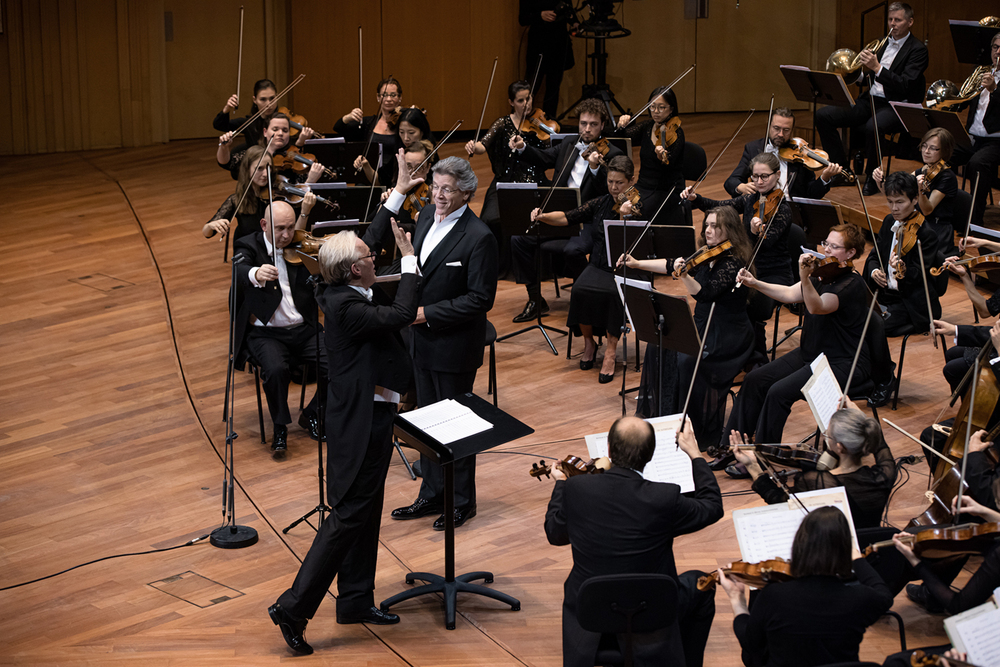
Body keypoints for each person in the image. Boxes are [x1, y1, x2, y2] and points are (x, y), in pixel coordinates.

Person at [268, 217, 419, 656]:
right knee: (347, 516)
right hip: (358, 423)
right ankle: (292, 608)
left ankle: (354, 600)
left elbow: (363, 248)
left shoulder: (343, 290)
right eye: (370, 258)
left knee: (367, 511)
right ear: (354, 270)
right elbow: (403, 314)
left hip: (373, 414)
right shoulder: (346, 306)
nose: (376, 258)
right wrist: (409, 262)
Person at [370, 152, 498, 531]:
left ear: (466, 194)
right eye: (436, 187)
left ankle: (461, 500)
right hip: (418, 341)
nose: (438, 196)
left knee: (455, 424)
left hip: (453, 346)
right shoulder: (425, 216)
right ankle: (431, 492)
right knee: (425, 421)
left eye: (447, 190)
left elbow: (480, 299)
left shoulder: (480, 237)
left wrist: (429, 313)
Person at [544, 416, 723, 667]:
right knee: (702, 584)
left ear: (608, 449)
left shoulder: (577, 489)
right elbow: (712, 507)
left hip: (591, 610)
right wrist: (695, 454)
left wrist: (561, 485)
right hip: (650, 609)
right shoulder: (664, 498)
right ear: (649, 455)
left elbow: (555, 533)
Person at [722, 224, 871, 453]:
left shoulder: (851, 284)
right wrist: (755, 283)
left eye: (834, 246)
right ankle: (732, 448)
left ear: (851, 253)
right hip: (811, 352)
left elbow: (816, 307)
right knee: (755, 380)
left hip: (838, 362)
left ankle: (765, 455)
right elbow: (790, 293)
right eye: (826, 244)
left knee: (778, 393)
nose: (827, 250)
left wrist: (805, 276)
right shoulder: (825, 274)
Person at [620, 206, 754, 447]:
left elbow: (706, 294)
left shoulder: (734, 263)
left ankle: (690, 428)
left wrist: (683, 276)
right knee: (658, 347)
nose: (709, 230)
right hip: (702, 324)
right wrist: (637, 264)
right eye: (708, 224)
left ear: (730, 230)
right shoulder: (708, 253)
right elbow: (672, 263)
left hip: (726, 333)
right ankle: (662, 416)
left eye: (716, 226)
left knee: (687, 361)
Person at [718, 506, 893, 667]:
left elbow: (751, 644)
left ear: (800, 545)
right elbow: (884, 596)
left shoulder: (775, 595)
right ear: (845, 550)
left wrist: (737, 599)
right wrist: (858, 561)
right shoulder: (860, 598)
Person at [508, 98, 624, 322]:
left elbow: (611, 195)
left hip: (588, 221)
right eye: (583, 123)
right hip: (560, 217)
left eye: (592, 124)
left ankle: (588, 295)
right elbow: (543, 158)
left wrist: (594, 167)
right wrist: (523, 147)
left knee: (573, 251)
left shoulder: (613, 155)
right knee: (518, 239)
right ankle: (535, 299)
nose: (587, 129)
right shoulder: (569, 144)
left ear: (602, 126)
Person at [530, 155, 637, 382]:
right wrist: (543, 216)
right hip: (598, 264)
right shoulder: (601, 203)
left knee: (612, 293)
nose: (614, 187)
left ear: (631, 181)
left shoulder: (639, 206)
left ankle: (610, 350)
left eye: (619, 183)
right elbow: (568, 217)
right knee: (579, 290)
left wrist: (623, 214)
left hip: (624, 268)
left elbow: (628, 239)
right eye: (610, 182)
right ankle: (589, 342)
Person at [233, 201, 328, 455]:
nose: (287, 235)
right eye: (279, 229)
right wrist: (255, 272)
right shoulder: (248, 244)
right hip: (266, 333)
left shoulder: (300, 246)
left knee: (341, 361)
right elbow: (239, 269)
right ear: (264, 225)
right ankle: (279, 426)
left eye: (290, 228)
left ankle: (313, 413)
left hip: (304, 329)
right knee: (275, 370)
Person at [681, 152, 793, 365]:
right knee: (722, 294)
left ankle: (756, 358)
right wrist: (696, 199)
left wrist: (754, 232)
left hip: (772, 273)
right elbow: (721, 206)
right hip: (747, 266)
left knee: (750, 303)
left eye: (765, 177)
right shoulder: (751, 198)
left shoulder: (783, 209)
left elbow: (766, 243)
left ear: (777, 175)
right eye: (755, 177)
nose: (759, 182)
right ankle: (729, 348)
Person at [814, 1, 928, 195]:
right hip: (871, 100)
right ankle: (842, 171)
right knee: (823, 116)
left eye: (898, 20)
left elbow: (905, 84)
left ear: (910, 22)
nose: (893, 24)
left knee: (872, 126)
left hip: (897, 105)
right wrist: (855, 75)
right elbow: (872, 78)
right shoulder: (882, 42)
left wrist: (876, 67)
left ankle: (872, 178)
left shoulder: (917, 50)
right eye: (890, 19)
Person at [730, 404, 895, 530]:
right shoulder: (884, 476)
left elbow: (780, 502)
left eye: (828, 435)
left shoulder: (818, 482)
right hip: (871, 556)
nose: (826, 437)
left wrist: (752, 466)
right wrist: (858, 419)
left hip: (836, 559)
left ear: (840, 447)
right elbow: (881, 446)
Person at [864, 171, 941, 406]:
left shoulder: (926, 234)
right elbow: (875, 253)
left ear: (914, 200)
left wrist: (904, 270)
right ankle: (865, 374)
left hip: (910, 302)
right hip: (885, 293)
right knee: (852, 315)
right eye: (890, 202)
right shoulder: (889, 222)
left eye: (900, 202)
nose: (894, 208)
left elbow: (921, 277)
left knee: (872, 326)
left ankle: (886, 378)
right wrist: (874, 269)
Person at [873, 128, 959, 256]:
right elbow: (897, 194)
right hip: (917, 222)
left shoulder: (947, 177)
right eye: (924, 146)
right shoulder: (923, 170)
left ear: (944, 151)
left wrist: (920, 191)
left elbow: (927, 209)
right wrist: (880, 182)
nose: (926, 151)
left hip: (936, 228)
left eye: (933, 148)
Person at [724, 107, 842, 199]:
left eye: (786, 130)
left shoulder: (800, 155)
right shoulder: (753, 149)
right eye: (776, 128)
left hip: (791, 212)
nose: (780, 134)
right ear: (768, 125)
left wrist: (824, 178)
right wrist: (741, 187)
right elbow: (731, 181)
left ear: (792, 130)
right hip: (759, 209)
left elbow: (811, 194)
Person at [613, 86, 688, 226]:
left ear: (671, 109)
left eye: (661, 107)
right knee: (618, 205)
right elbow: (622, 139)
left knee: (639, 210)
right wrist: (622, 125)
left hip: (666, 189)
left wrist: (662, 158)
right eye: (652, 107)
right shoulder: (648, 126)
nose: (656, 112)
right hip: (643, 185)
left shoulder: (677, 133)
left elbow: (670, 164)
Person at [950, 30, 1000, 232]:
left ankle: (974, 222)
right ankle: (949, 210)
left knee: (977, 164)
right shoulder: (981, 72)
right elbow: (964, 101)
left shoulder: (991, 81)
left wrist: (994, 90)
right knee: (943, 154)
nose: (998, 52)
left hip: (997, 142)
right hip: (973, 138)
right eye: (995, 47)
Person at [217, 113, 324, 184]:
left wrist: (310, 180)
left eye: (285, 130)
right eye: (275, 129)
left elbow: (300, 193)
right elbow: (226, 163)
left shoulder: (295, 159)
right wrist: (224, 147)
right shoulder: (255, 153)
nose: (280, 133)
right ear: (265, 132)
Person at [519, 0, 575, 119]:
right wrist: (540, 15)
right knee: (531, 87)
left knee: (553, 88)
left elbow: (569, 11)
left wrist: (575, 22)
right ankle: (520, 124)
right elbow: (522, 19)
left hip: (559, 44)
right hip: (538, 44)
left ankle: (549, 125)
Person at [356, 106, 432, 187]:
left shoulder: (428, 154)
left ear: (422, 132)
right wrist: (366, 165)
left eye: (411, 133)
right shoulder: (399, 150)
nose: (406, 138)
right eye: (401, 132)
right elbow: (380, 181)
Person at [335, 77, 404, 149]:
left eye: (393, 95)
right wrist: (347, 117)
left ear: (400, 97)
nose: (389, 99)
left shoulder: (404, 121)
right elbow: (338, 128)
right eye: (384, 95)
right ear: (378, 97)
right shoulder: (369, 123)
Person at [213, 78, 277, 153]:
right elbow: (219, 125)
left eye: (272, 98)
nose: (269, 104)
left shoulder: (284, 120)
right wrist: (227, 109)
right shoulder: (249, 123)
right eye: (263, 99)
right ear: (255, 100)